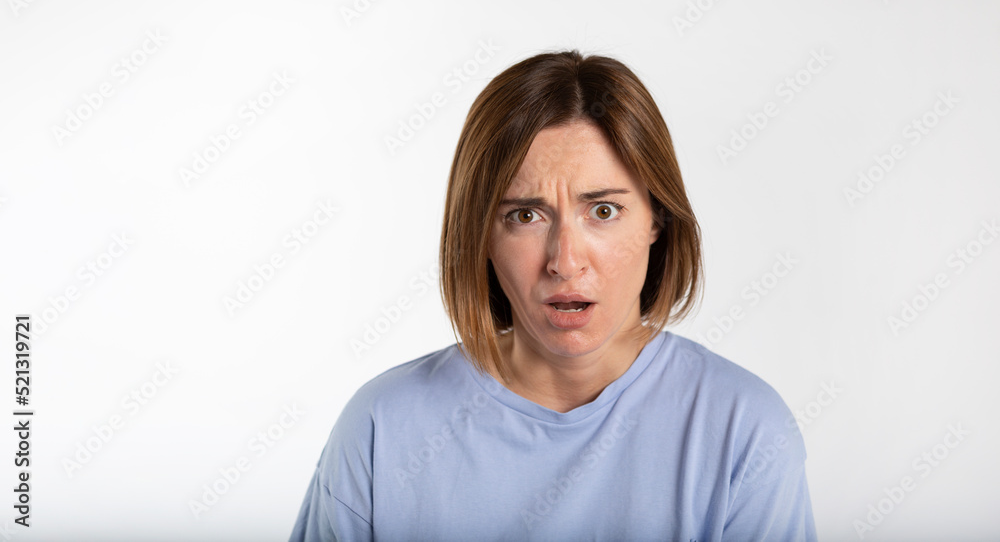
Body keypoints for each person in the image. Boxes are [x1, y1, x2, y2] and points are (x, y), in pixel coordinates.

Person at [289, 50, 817, 541]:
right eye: (526, 215)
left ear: (657, 219)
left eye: (603, 211)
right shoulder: (381, 427)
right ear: (481, 233)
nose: (564, 261)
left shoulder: (745, 430)